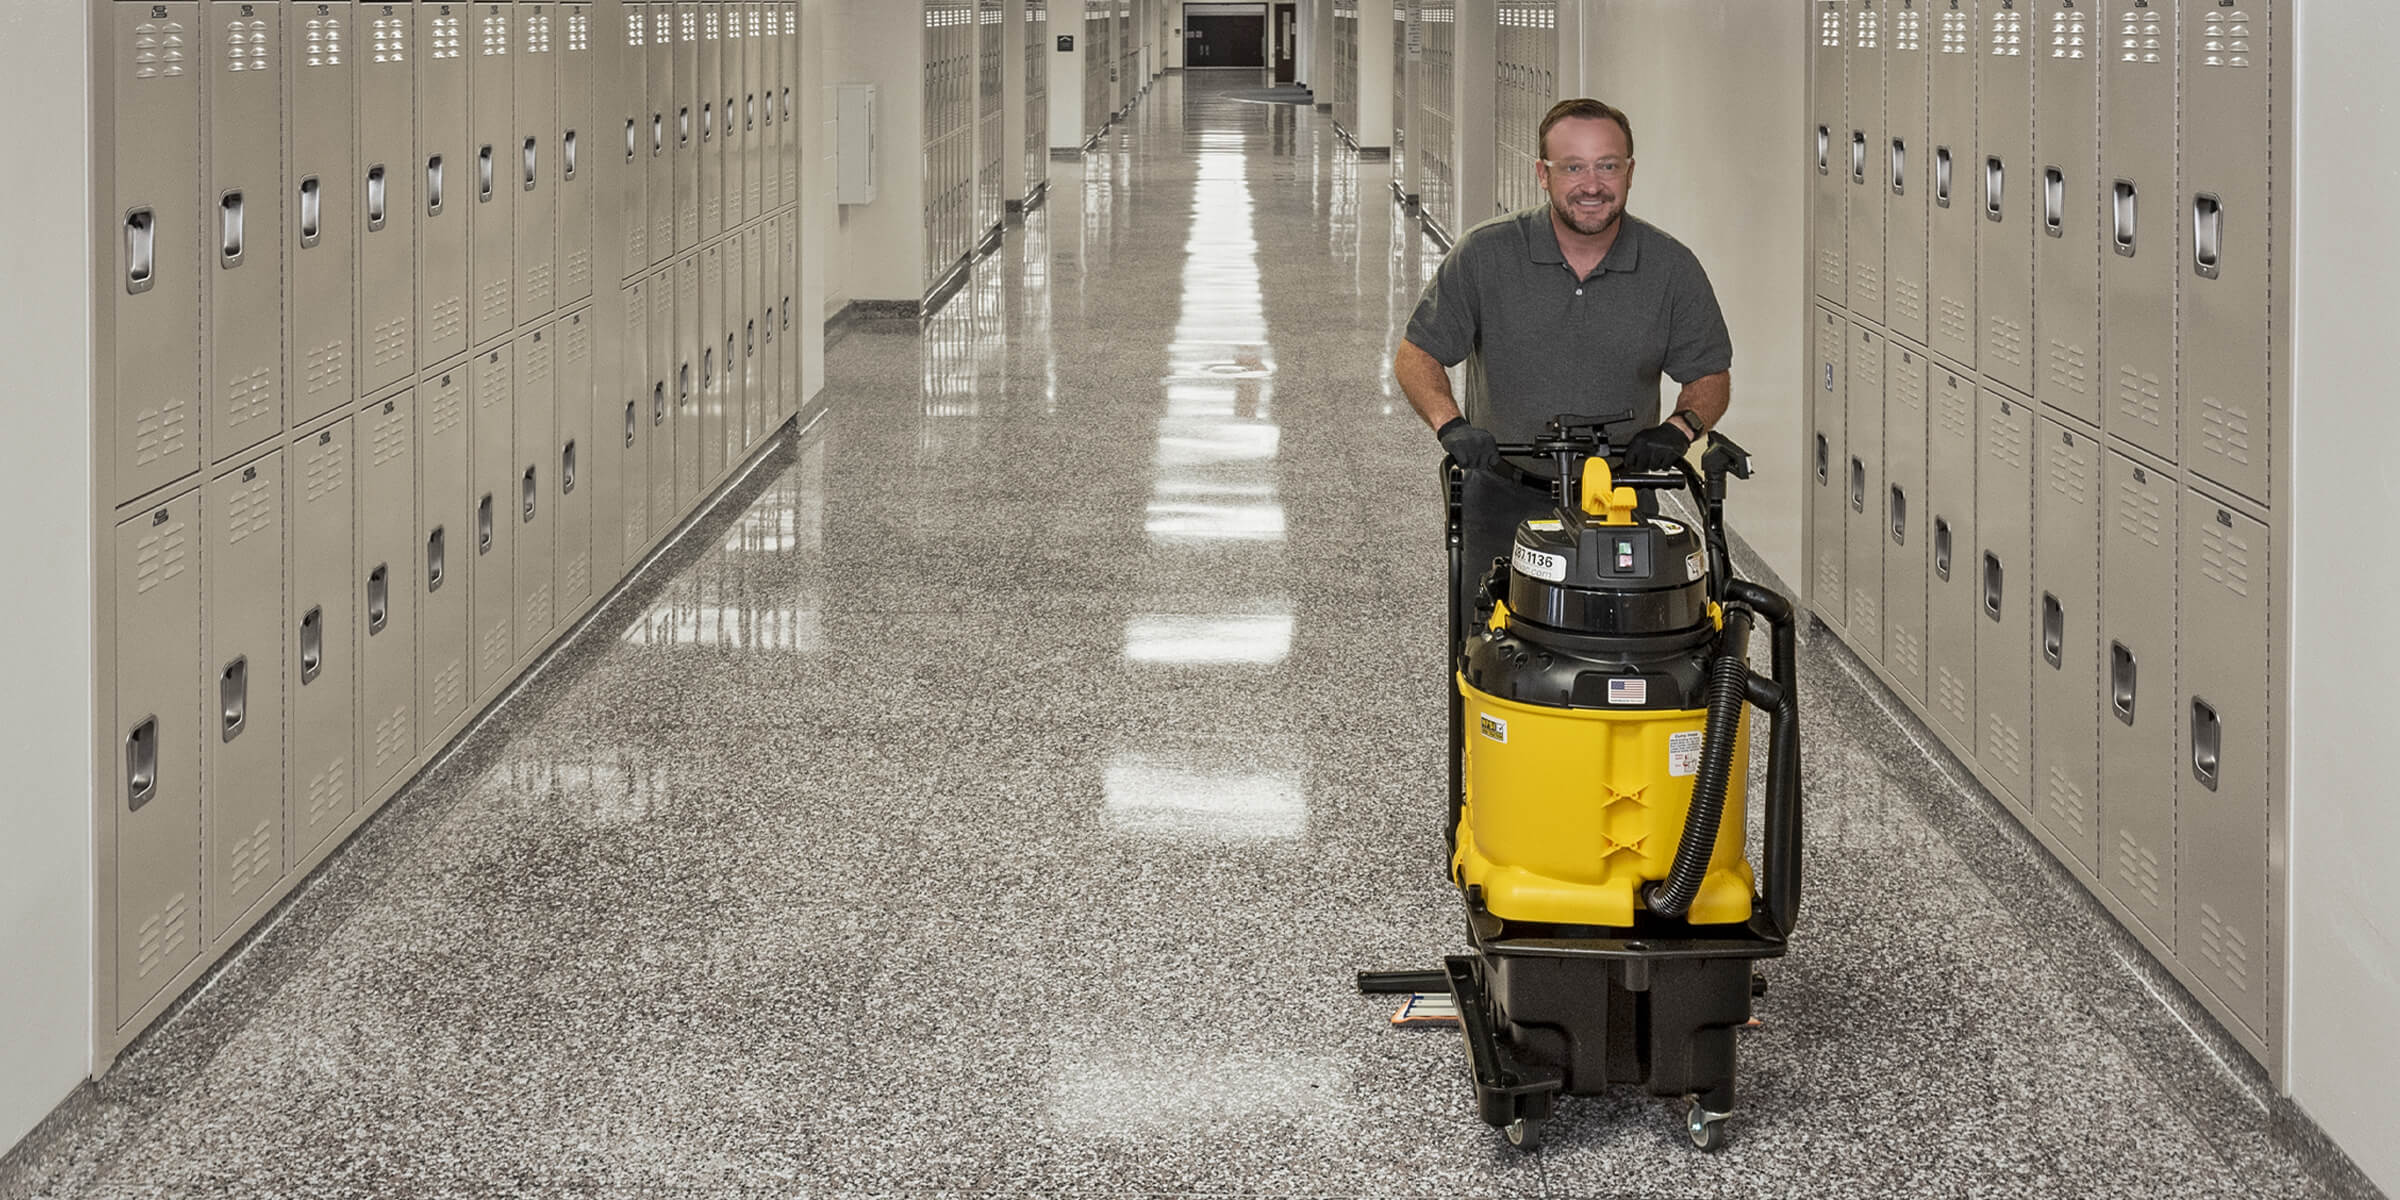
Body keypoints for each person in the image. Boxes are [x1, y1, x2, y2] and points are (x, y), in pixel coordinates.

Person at [1394, 98, 1734, 623]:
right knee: (1492, 643)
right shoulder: (1486, 255)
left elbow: (1709, 374)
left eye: (1607, 166)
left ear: (1630, 172)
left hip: (1622, 498)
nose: (1591, 184)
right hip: (1503, 493)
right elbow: (1418, 355)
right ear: (1542, 175)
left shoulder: (1670, 268)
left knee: (1626, 645)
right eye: (1572, 167)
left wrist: (1680, 428)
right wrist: (1451, 425)